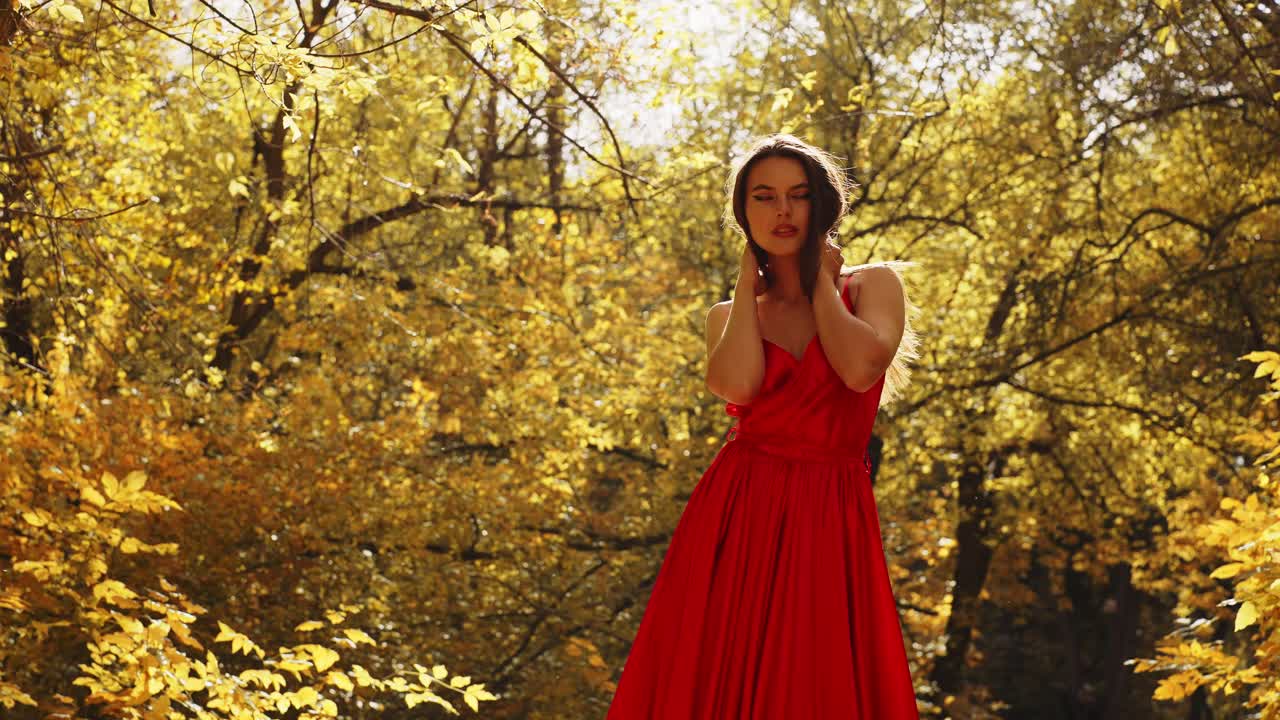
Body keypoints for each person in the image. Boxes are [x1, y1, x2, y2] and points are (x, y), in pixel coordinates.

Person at [605, 133, 921, 719]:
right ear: (742, 211)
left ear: (823, 204)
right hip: (737, 512)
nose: (781, 212)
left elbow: (857, 370)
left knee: (816, 678)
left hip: (829, 507)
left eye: (798, 196)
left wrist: (821, 283)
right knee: (716, 676)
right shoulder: (729, 315)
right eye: (764, 197)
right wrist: (746, 288)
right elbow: (739, 387)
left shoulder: (871, 287)